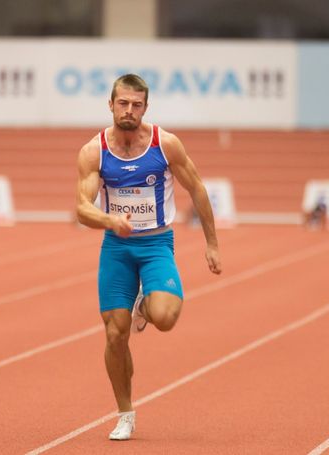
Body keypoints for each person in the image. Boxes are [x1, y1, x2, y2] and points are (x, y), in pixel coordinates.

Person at [75, 74, 222, 441]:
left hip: (156, 244)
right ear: (110, 105)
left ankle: (144, 306)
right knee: (114, 334)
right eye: (122, 103)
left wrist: (212, 243)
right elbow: (81, 208)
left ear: (145, 107)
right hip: (117, 248)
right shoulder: (94, 151)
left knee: (166, 317)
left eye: (136, 104)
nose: (129, 110)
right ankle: (125, 413)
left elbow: (197, 188)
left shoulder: (165, 144)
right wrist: (110, 219)